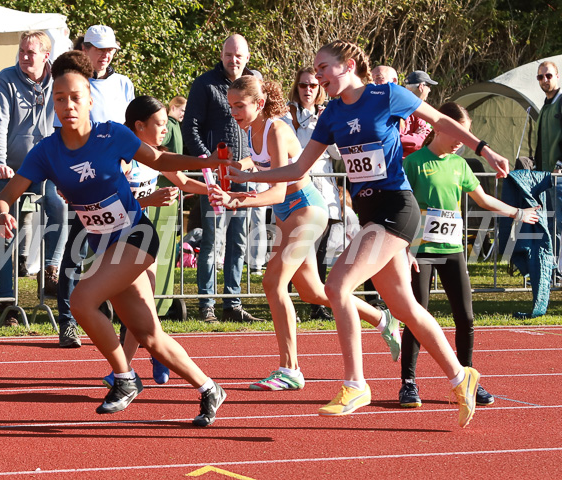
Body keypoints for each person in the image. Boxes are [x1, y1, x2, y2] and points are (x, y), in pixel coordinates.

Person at [225, 40, 510, 428]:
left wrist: (485, 150)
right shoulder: (330, 116)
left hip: (397, 209)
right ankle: (462, 377)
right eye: (316, 69)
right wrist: (249, 177)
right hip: (369, 214)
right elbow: (297, 171)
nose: (319, 76)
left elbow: (440, 121)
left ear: (349, 66)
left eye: (324, 68)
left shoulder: (386, 94)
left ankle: (356, 383)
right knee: (405, 308)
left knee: (338, 285)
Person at [0, 50, 228, 426]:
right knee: (149, 335)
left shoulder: (110, 134)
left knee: (81, 300)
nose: (67, 105)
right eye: (59, 99)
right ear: (52, 103)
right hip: (105, 246)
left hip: (136, 236)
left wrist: (208, 163)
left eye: (75, 98)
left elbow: (160, 160)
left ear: (89, 100)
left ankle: (125, 378)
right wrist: (2, 214)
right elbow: (6, 196)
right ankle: (209, 388)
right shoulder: (46, 152)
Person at [210, 76, 401, 391]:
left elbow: (277, 192)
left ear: (259, 103)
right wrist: (238, 168)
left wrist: (237, 200)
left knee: (272, 282)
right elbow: (260, 162)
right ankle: (383, 320)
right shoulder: (251, 130)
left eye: (239, 106)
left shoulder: (276, 129)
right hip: (288, 214)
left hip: (306, 209)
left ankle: (290, 370)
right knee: (313, 291)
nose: (235, 113)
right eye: (231, 106)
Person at [400, 101, 540, 408]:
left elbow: (485, 199)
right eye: (460, 131)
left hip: (451, 250)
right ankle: (408, 383)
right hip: (420, 252)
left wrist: (518, 212)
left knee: (465, 317)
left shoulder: (460, 165)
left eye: (469, 133)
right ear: (440, 126)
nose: (464, 139)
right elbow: (402, 208)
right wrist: (404, 248)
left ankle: (467, 380)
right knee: (416, 315)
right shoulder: (413, 162)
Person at [101, 95, 211, 388]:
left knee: (144, 305)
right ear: (139, 126)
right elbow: (113, 200)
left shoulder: (157, 154)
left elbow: (185, 182)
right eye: (160, 124)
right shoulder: (122, 159)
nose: (166, 129)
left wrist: (216, 193)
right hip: (115, 236)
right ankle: (153, 353)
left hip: (140, 236)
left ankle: (126, 367)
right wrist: (150, 198)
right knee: (138, 309)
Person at [56, 25, 136, 348]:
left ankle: (118, 319)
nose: (105, 56)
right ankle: (67, 322)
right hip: (83, 182)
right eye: (99, 49)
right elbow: (59, 129)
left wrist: (131, 162)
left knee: (114, 256)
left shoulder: (123, 84)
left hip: (116, 184)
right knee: (75, 251)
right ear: (85, 48)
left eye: (110, 50)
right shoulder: (72, 83)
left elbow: (133, 131)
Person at [0, 30, 67, 328]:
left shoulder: (58, 80)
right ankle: (7, 304)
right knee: (4, 229)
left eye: (30, 53)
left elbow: (65, 123)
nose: (23, 57)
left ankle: (51, 271)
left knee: (59, 206)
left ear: (46, 55)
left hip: (44, 167)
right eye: (21, 51)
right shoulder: (6, 78)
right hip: (9, 168)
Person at [182, 33, 261, 323]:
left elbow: (262, 124)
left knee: (238, 239)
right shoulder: (205, 84)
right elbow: (190, 127)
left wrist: (255, 160)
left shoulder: (253, 84)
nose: (234, 60)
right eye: (229, 54)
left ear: (247, 56)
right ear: (221, 54)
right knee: (212, 240)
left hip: (245, 173)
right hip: (214, 176)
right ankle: (207, 305)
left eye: (239, 55)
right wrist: (209, 163)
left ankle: (233, 303)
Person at [282, 66, 339, 320]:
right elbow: (285, 149)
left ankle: (320, 307)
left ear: (319, 89)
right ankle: (289, 304)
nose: (307, 90)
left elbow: (338, 155)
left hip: (324, 192)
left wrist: (332, 126)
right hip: (295, 192)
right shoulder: (285, 115)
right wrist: (294, 120)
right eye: (303, 85)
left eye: (313, 86)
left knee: (320, 251)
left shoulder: (328, 115)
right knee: (293, 249)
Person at [534, 61, 562, 257]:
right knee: (550, 223)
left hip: (559, 176)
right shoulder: (544, 106)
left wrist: (561, 165)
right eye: (540, 77)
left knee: (559, 224)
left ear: (557, 76)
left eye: (549, 75)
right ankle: (553, 270)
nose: (545, 80)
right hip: (545, 176)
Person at [401, 70, 436, 157]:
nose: (430, 90)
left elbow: (428, 133)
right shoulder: (398, 106)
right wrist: (419, 137)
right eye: (429, 86)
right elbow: (395, 140)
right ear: (421, 87)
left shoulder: (419, 108)